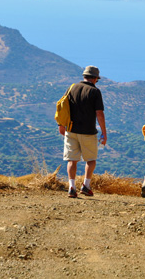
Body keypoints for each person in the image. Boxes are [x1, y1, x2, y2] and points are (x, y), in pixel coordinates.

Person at [59, 65, 107, 198]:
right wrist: (104, 132)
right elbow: (99, 114)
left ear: (84, 76)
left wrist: (61, 124)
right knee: (91, 159)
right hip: (88, 131)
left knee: (71, 160)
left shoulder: (72, 87)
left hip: (71, 129)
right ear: (95, 78)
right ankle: (86, 186)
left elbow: (62, 106)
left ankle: (71, 188)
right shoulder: (95, 92)